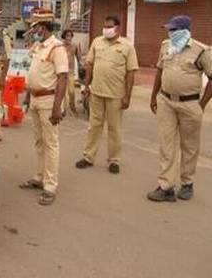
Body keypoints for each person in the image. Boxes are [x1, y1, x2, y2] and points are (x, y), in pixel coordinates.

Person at [147, 15, 212, 202]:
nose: (171, 32)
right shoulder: (166, 46)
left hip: (190, 104)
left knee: (189, 146)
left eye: (174, 29)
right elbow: (160, 71)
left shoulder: (202, 51)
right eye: (170, 29)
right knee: (166, 145)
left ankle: (187, 183)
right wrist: (154, 96)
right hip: (166, 101)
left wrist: (201, 105)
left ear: (185, 31)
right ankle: (166, 186)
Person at [75, 16, 138, 174]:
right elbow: (89, 65)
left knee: (114, 129)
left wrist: (127, 96)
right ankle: (88, 156)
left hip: (116, 94)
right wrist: (87, 86)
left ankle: (114, 160)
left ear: (117, 28)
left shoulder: (127, 46)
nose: (106, 29)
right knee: (94, 126)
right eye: (104, 26)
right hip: (96, 91)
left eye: (109, 27)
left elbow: (131, 73)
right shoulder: (97, 41)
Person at [19, 9, 68, 206]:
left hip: (49, 101)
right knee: (39, 142)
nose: (33, 31)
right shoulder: (39, 47)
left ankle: (50, 186)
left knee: (51, 144)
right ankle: (39, 178)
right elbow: (33, 74)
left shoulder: (57, 48)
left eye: (35, 27)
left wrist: (57, 107)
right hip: (36, 99)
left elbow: (63, 78)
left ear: (44, 27)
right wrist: (27, 98)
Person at [61, 29, 82, 115]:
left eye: (70, 36)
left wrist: (81, 66)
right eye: (67, 36)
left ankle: (72, 106)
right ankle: (63, 109)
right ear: (64, 37)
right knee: (63, 91)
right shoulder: (60, 46)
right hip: (61, 71)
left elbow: (79, 58)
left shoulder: (75, 46)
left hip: (70, 71)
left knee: (71, 91)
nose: (69, 38)